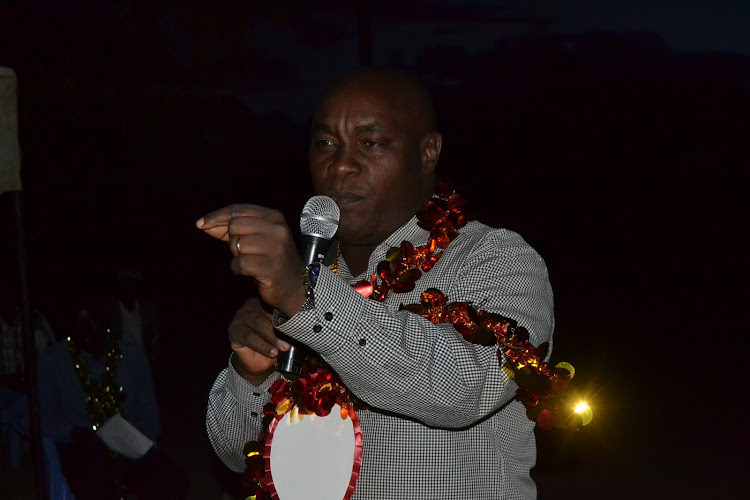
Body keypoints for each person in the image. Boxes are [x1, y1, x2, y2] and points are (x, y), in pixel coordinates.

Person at [199, 68, 554, 499]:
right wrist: (250, 374)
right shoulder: (307, 275)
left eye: (370, 143)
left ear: (428, 152)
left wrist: (305, 298)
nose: (341, 164)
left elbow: (466, 387)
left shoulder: (496, 257)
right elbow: (239, 454)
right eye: (326, 143)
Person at [37, 299, 187, 499]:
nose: (86, 329)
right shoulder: (53, 361)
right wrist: (75, 434)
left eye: (92, 320)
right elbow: (43, 418)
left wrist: (135, 443)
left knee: (174, 483)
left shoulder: (133, 357)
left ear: (105, 323)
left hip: (129, 445)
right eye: (79, 322)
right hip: (83, 449)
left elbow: (149, 415)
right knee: (95, 487)